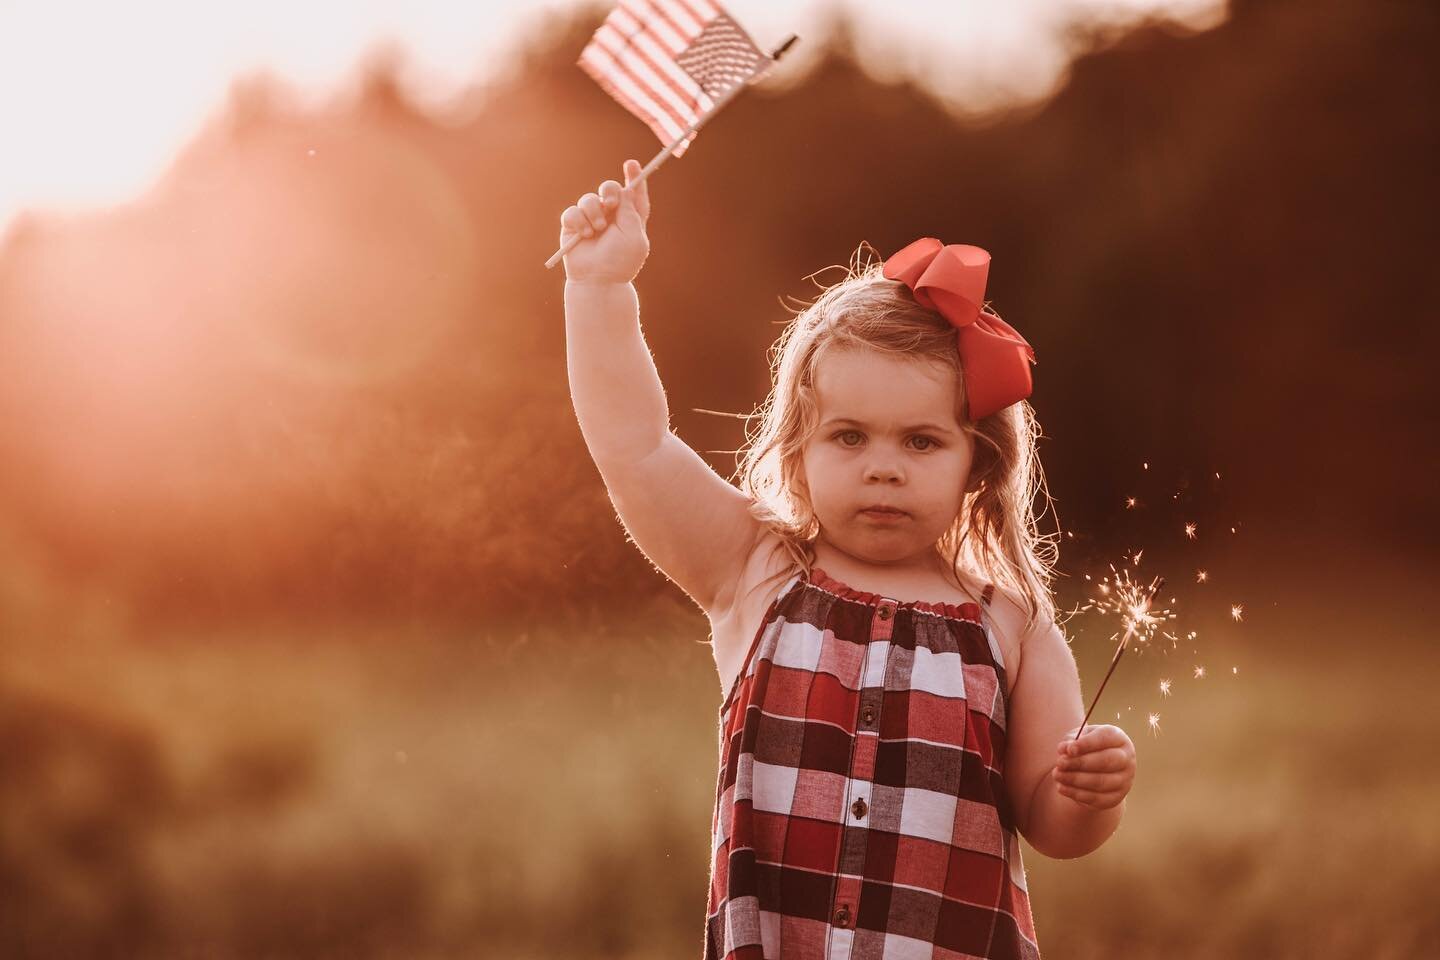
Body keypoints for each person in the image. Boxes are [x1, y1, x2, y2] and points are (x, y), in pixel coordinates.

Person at [560, 159, 1137, 960]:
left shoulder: (1013, 625)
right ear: (800, 449)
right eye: (850, 435)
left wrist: (1091, 795)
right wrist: (600, 291)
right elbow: (636, 447)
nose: (884, 466)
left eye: (922, 440)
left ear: (979, 461)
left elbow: (1053, 825)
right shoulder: (754, 569)